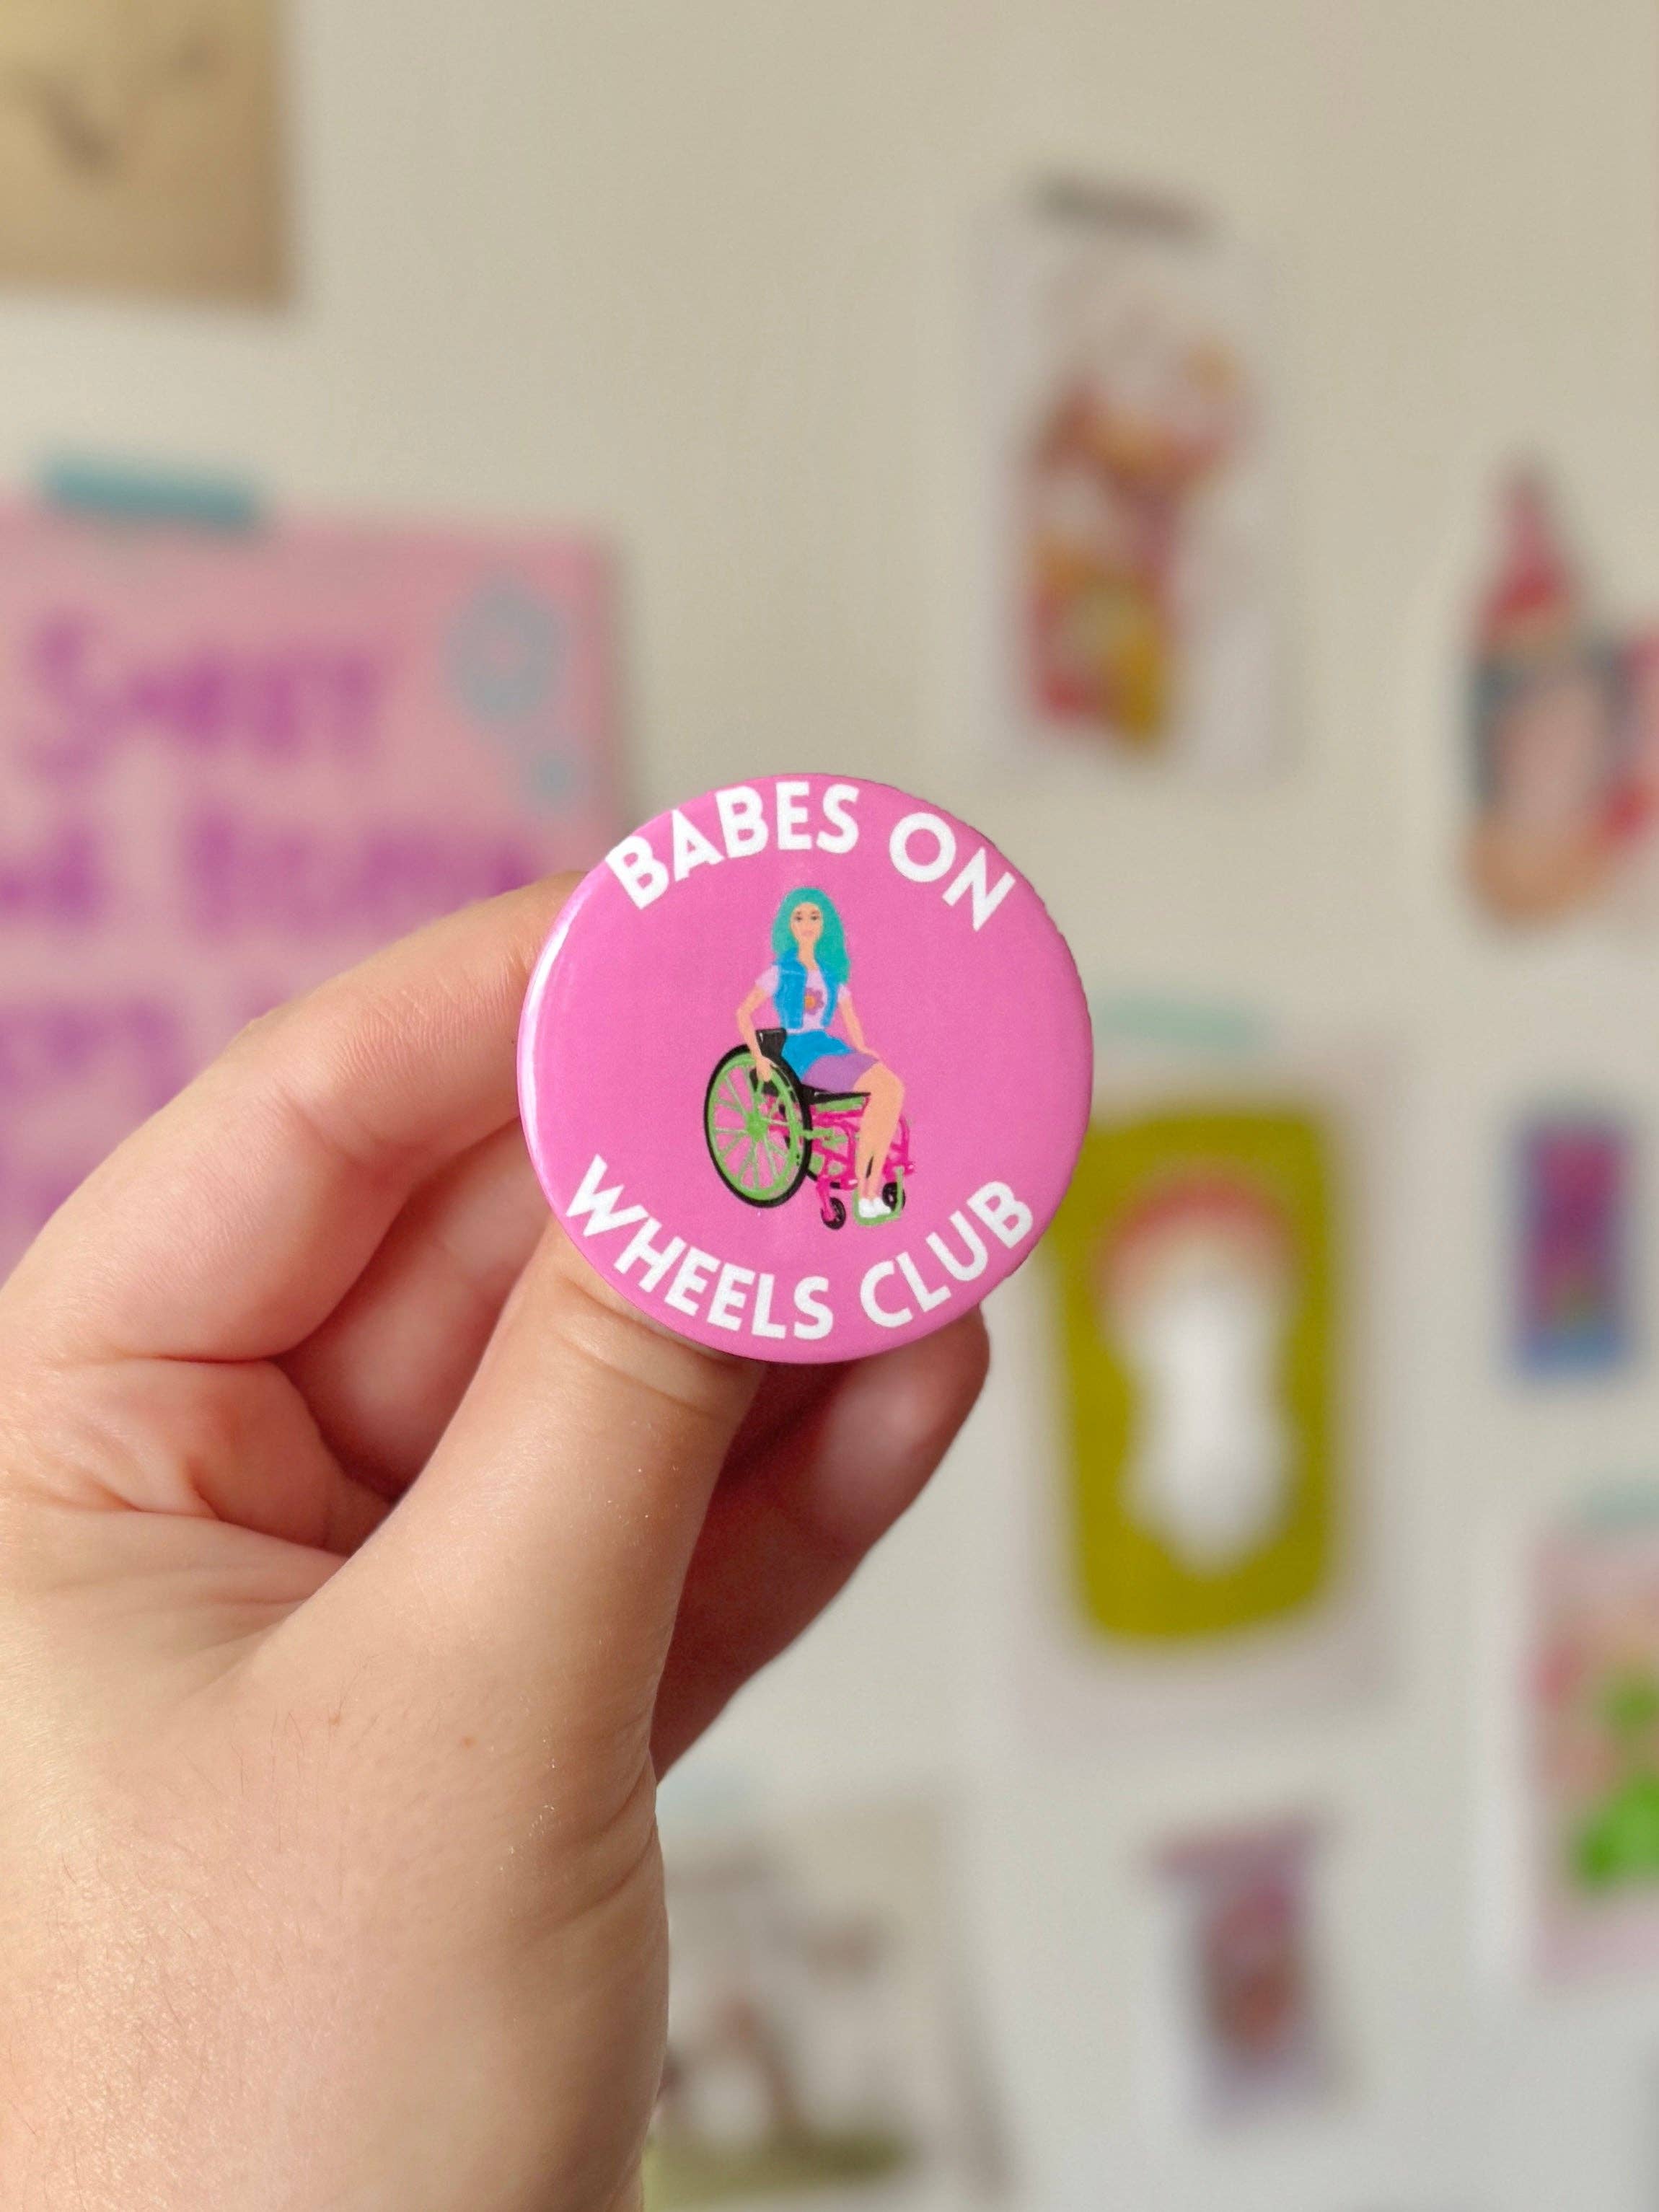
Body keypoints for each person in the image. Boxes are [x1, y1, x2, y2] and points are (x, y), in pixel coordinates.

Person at [0, 878, 987, 2211]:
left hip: (822, 1085)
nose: (809, 939)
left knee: (883, 1097)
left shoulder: (839, 987)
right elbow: (756, 1028)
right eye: (801, 929)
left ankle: (867, 1184)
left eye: (818, 929)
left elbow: (858, 1038)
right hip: (765, 1083)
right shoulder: (770, 987)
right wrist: (696, 1224)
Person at [736, 887, 906, 1221]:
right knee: (882, 1090)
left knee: (894, 1089)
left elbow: (849, 1014)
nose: (807, 924)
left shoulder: (830, 974)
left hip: (829, 1045)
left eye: (814, 917)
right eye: (799, 918)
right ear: (789, 926)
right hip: (801, 1052)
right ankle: (866, 1194)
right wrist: (758, 1057)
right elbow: (742, 1013)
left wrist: (861, 1046)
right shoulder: (781, 972)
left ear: (825, 925)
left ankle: (870, 1186)